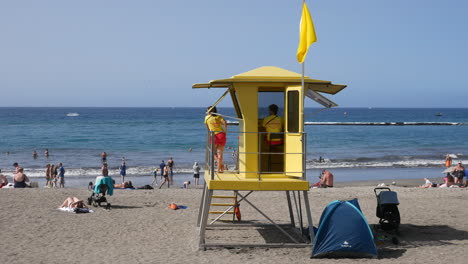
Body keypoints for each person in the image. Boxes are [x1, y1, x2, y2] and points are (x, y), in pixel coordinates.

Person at [204, 106, 228, 173]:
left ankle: (221, 165)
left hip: (213, 135)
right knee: (220, 153)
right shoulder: (219, 117)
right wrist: (226, 131)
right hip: (221, 134)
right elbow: (225, 123)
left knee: (213, 153)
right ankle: (219, 169)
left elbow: (208, 128)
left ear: (209, 111)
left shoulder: (207, 118)